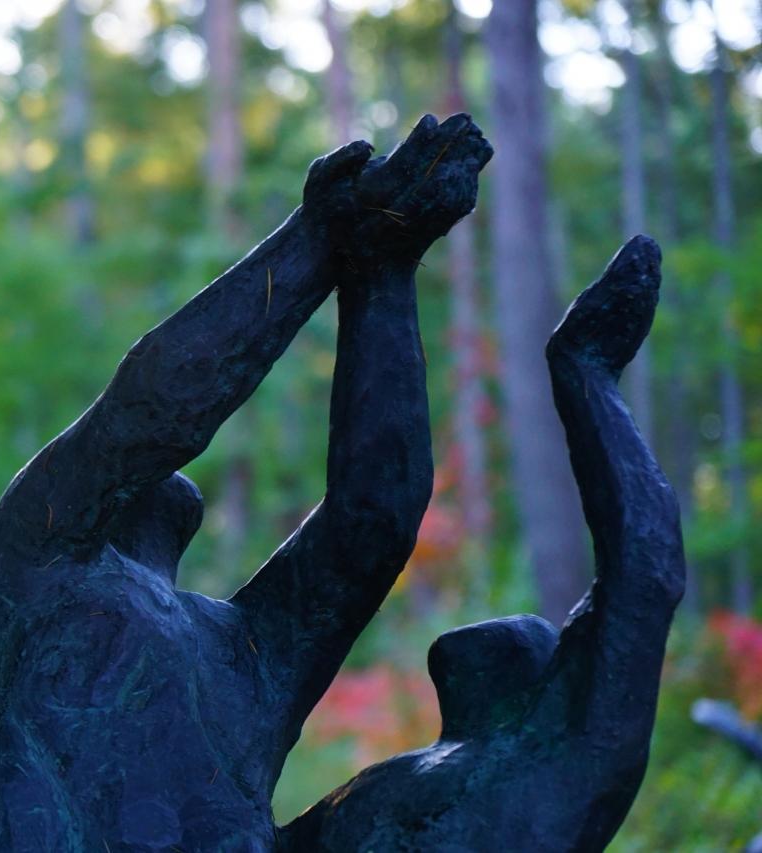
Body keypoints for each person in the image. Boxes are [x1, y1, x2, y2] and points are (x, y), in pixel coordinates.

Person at [0, 113, 493, 852]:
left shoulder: (241, 658)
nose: (172, 472)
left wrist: (385, 270)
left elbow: (372, 525)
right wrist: (315, 241)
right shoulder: (38, 558)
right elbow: (155, 412)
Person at [278, 236, 686, 852]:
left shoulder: (551, 771)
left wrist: (587, 376)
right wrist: (585, 374)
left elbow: (644, 577)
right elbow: (643, 574)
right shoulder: (374, 796)